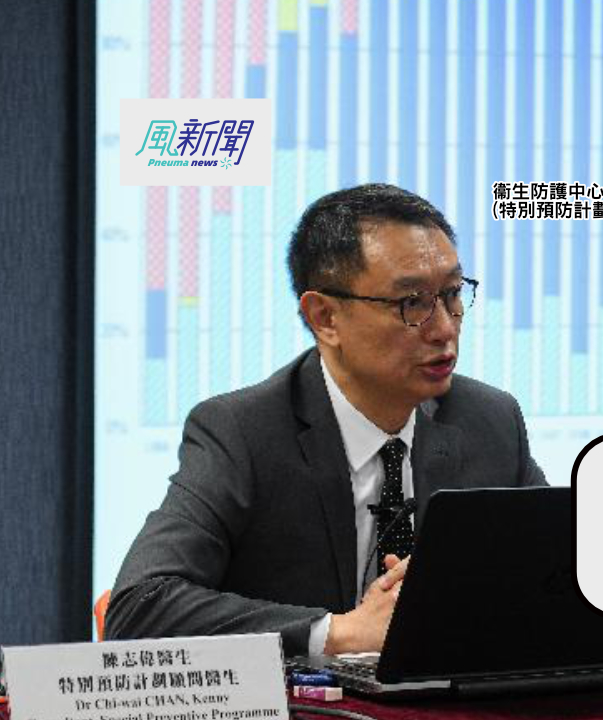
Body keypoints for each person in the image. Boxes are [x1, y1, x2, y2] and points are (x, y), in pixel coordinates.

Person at [105, 184, 546, 656]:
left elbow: (559, 574)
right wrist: (340, 633)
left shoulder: (490, 420)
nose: (444, 328)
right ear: (325, 317)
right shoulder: (244, 433)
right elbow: (139, 607)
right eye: (412, 303)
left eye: (453, 294)